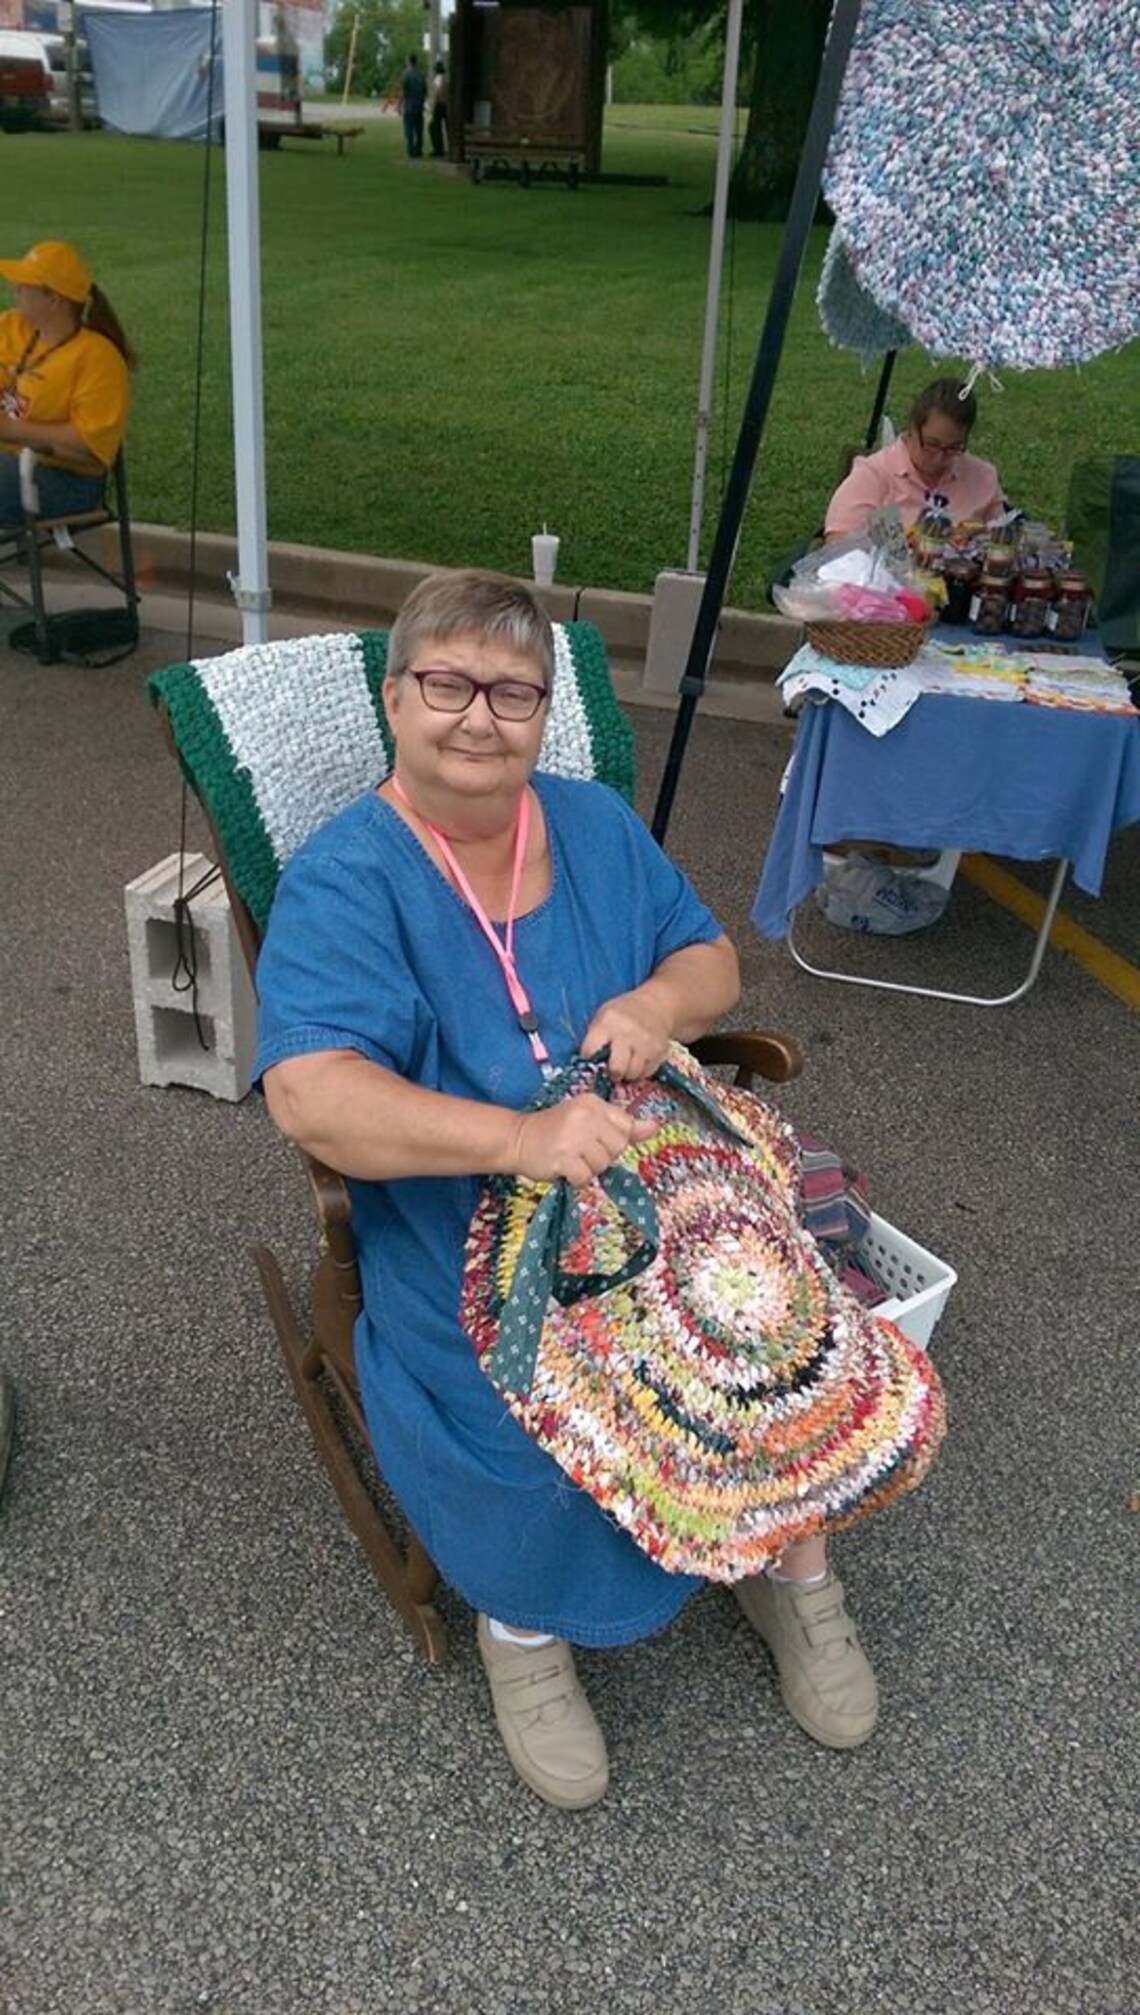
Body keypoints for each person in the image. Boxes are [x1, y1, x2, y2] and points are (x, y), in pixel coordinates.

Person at [256, 570, 884, 1811]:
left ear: (545, 711)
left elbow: (711, 960)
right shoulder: (350, 878)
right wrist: (517, 1136)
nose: (478, 716)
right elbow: (311, 1097)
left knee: (783, 1342)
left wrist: (654, 1005)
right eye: (447, 683)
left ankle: (793, 1573)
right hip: (470, 1233)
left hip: (658, 1203)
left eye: (513, 691)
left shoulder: (591, 824)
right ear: (397, 698)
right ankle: (527, 1631)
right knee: (538, 1426)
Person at [0, 239, 134, 530]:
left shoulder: (98, 358)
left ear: (54, 299)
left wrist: (13, 430)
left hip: (64, 479)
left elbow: (88, 444)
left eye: (26, 284)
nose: (16, 289)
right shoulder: (11, 327)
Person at [825, 376, 1005, 539]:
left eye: (953, 448)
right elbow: (837, 544)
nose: (939, 458)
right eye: (931, 444)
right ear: (912, 429)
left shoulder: (982, 477)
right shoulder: (874, 474)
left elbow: (1004, 540)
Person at [400, 51, 427, 160]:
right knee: (419, 129)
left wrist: (399, 105)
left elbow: (404, 91)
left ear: (409, 61)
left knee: (409, 129)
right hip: (419, 105)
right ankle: (419, 150)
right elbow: (425, 90)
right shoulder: (421, 74)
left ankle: (411, 151)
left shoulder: (406, 74)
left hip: (410, 105)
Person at [428, 58, 448, 160]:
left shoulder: (438, 78)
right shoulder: (446, 77)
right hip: (447, 104)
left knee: (434, 127)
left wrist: (433, 105)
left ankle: (438, 149)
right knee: (445, 127)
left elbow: (437, 92)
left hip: (440, 104)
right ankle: (447, 148)